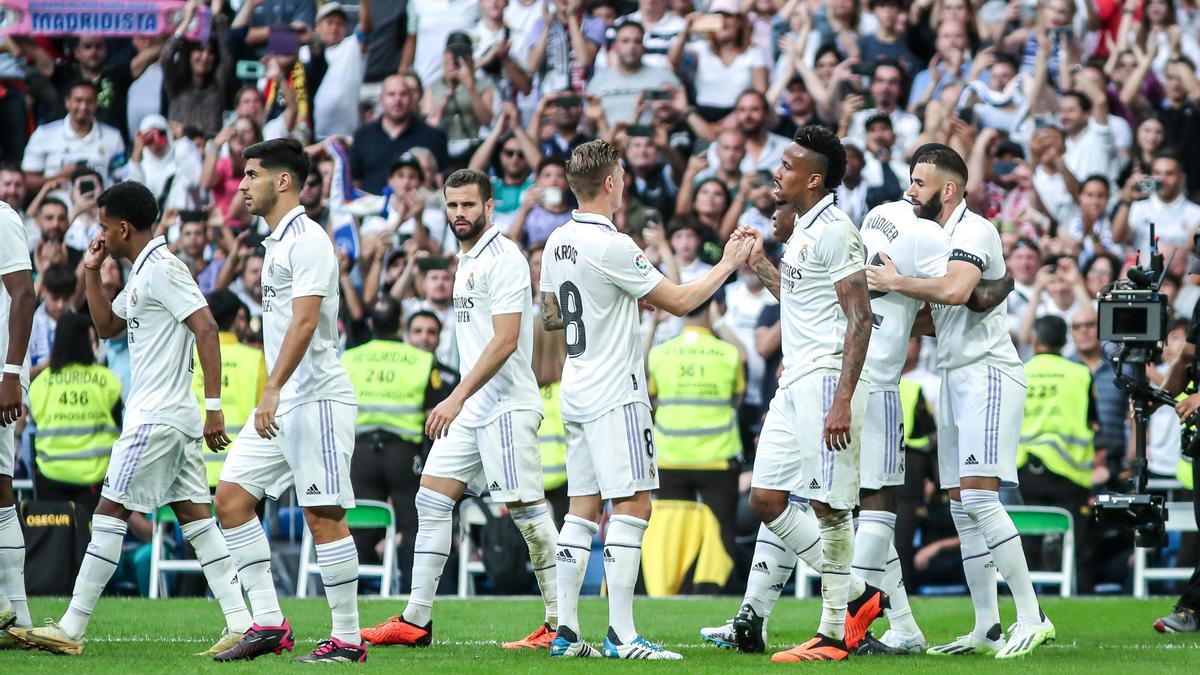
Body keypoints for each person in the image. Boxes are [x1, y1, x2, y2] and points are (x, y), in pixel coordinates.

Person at [9, 181, 249, 656]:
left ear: (122, 226)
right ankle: (242, 621)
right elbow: (107, 327)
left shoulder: (162, 268)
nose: (99, 233)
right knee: (196, 518)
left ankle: (72, 627)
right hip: (169, 417)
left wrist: (215, 407)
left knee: (109, 510)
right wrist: (92, 271)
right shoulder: (142, 271)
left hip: (155, 418)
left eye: (102, 226)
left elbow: (206, 326)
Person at [539, 139, 753, 660]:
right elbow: (679, 302)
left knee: (581, 511)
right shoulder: (613, 244)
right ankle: (622, 635)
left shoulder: (556, 241)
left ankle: (566, 633)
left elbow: (549, 314)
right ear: (611, 182)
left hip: (576, 387)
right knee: (633, 505)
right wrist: (727, 263)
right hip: (616, 393)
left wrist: (596, 306)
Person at [866, 144, 1054, 658]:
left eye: (920, 183)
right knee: (961, 509)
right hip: (952, 375)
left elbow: (955, 290)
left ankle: (1032, 615)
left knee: (978, 499)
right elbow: (940, 314)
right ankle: (986, 627)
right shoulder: (932, 238)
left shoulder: (975, 230)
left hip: (988, 374)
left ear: (948, 189)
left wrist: (892, 282)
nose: (910, 191)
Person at [361, 168, 560, 650]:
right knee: (430, 498)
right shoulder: (467, 258)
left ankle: (561, 625)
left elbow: (508, 340)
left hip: (506, 406)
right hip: (475, 406)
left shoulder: (504, 256)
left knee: (529, 515)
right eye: (452, 205)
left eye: (469, 205)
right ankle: (415, 620)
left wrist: (455, 396)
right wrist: (463, 400)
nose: (459, 214)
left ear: (490, 206)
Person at [728, 126, 881, 663]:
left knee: (829, 506)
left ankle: (834, 632)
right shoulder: (803, 231)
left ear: (814, 180)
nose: (778, 171)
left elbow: (860, 318)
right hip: (793, 382)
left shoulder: (837, 230)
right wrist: (760, 264)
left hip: (824, 380)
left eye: (789, 165)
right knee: (766, 500)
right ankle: (861, 595)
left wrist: (842, 399)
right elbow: (800, 300)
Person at [213, 139, 365, 664]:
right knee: (230, 499)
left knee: (324, 515)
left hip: (316, 398)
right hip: (283, 401)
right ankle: (270, 623)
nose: (242, 185)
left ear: (283, 181)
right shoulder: (275, 241)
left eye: (251, 174)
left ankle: (347, 640)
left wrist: (272, 386)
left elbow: (305, 321)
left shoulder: (309, 240)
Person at [343, 297, 457, 596]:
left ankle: (347, 596)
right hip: (403, 454)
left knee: (360, 529)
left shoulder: (350, 357)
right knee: (412, 527)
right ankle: (415, 594)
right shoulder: (421, 360)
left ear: (371, 324)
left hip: (361, 453)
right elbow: (434, 411)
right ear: (400, 326)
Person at [646, 296, 743, 577]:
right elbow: (736, 399)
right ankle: (714, 589)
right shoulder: (729, 354)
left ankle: (671, 587)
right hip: (717, 460)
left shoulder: (660, 354)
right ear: (712, 309)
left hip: (670, 458)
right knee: (721, 532)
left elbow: (652, 399)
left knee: (673, 533)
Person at [1016, 315, 1100, 594]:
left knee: (1026, 541)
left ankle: (1027, 607)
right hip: (1070, 473)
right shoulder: (1080, 374)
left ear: (1036, 340)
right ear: (1065, 341)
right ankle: (1082, 597)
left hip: (1025, 470)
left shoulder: (1018, 371)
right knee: (1078, 544)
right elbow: (1093, 423)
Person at [27, 311, 121, 516]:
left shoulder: (41, 383)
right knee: (92, 543)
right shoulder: (107, 381)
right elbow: (119, 425)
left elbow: (35, 420)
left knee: (56, 541)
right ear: (87, 341)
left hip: (50, 476)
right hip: (95, 478)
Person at [191, 290, 267, 489]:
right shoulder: (255, 359)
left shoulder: (189, 357)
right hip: (242, 471)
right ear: (236, 320)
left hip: (193, 470)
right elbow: (266, 413)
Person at [0, 194, 34, 644]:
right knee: (2, 493)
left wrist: (10, 374)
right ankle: (20, 617)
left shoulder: (2, 219)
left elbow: (24, 294)